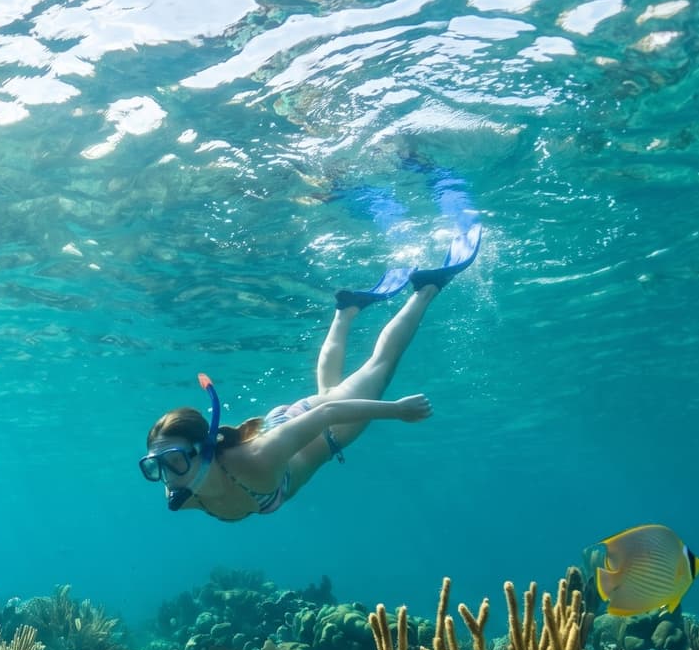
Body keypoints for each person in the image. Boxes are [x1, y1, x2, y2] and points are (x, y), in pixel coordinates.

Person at [139, 222, 481, 520]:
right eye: (155, 467)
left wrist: (397, 411)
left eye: (174, 461)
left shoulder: (258, 460)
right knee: (328, 388)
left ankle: (427, 288)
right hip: (288, 424)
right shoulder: (183, 494)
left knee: (379, 367)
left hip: (329, 429)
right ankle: (346, 311)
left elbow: (329, 412)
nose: (167, 476)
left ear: (207, 448)